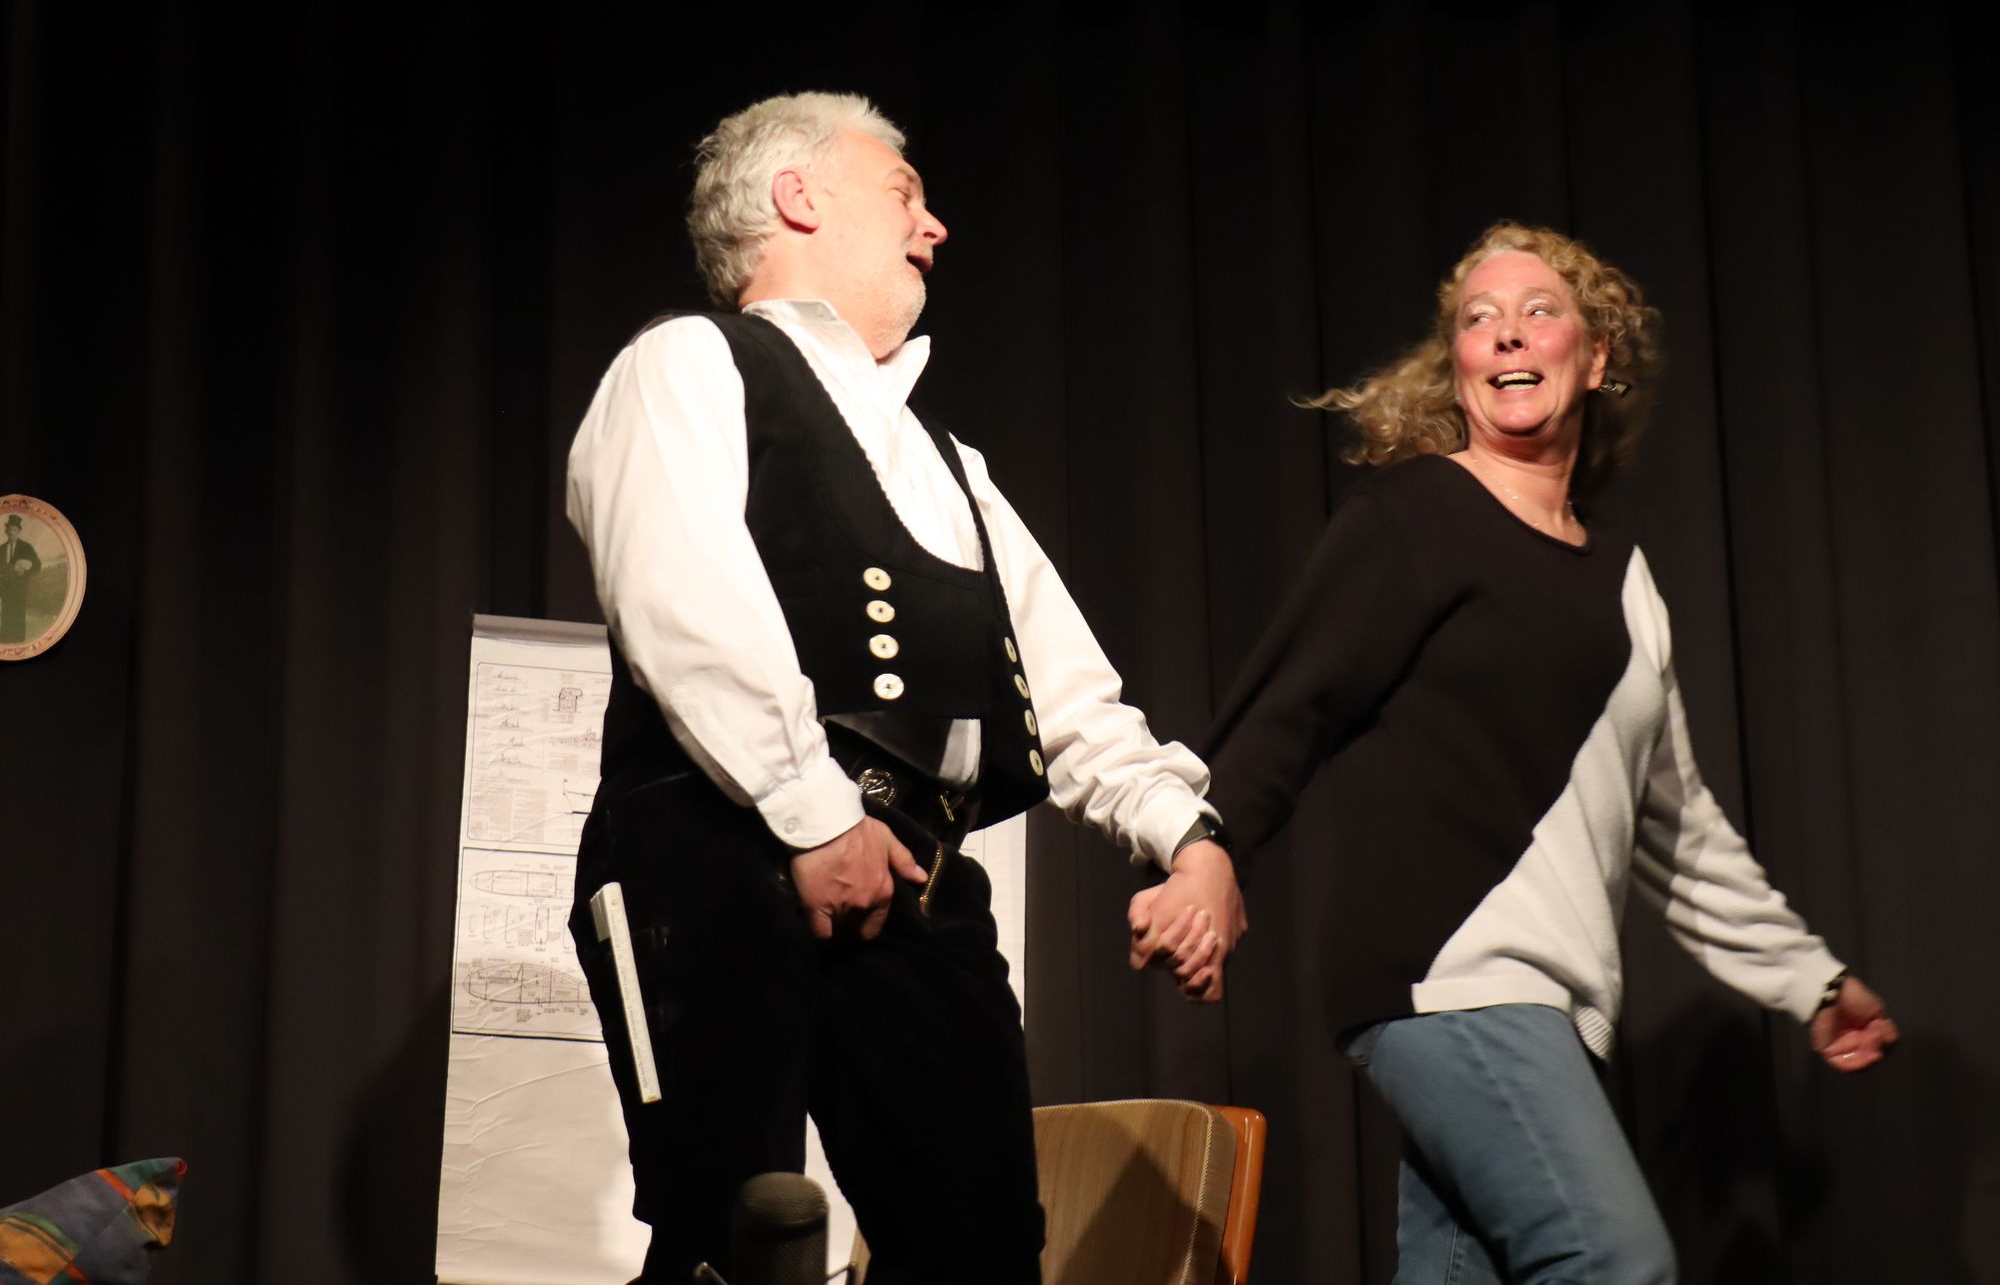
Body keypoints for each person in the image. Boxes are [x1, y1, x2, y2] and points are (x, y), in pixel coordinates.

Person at [564, 92, 1245, 1285]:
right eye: (904, 194)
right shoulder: (689, 365)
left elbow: (1068, 697)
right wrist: (813, 813)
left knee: (976, 1249)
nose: (934, 227)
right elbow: (685, 602)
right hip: (718, 860)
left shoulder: (950, 465)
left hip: (913, 886)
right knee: (736, 1240)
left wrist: (1187, 839)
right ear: (797, 197)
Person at [1142, 223, 1897, 1283]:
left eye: (1539, 311)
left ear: (1594, 357)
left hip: (1548, 1000)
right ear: (1455, 363)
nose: (1506, 333)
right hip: (1450, 976)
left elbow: (1678, 827)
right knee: (1612, 1261)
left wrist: (1809, 979)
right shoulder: (1413, 515)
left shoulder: (1624, 582)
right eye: (1477, 318)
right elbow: (1286, 706)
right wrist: (1205, 850)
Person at [0, 513, 41, 643]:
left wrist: (24, 573)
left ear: (18, 531)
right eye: (9, 530)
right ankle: (5, 642)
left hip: (19, 589)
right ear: (6, 531)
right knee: (6, 614)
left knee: (18, 615)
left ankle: (18, 644)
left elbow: (37, 565)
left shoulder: (26, 547)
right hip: (5, 589)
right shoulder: (1, 548)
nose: (11, 533)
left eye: (14, 530)